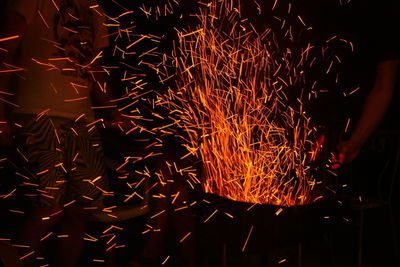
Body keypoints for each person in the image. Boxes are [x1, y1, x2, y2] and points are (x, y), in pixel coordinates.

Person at [0, 0, 127, 266]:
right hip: (36, 112)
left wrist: (113, 110)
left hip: (82, 119)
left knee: (81, 210)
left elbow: (92, 66)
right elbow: (5, 49)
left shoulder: (93, 8)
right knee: (49, 208)